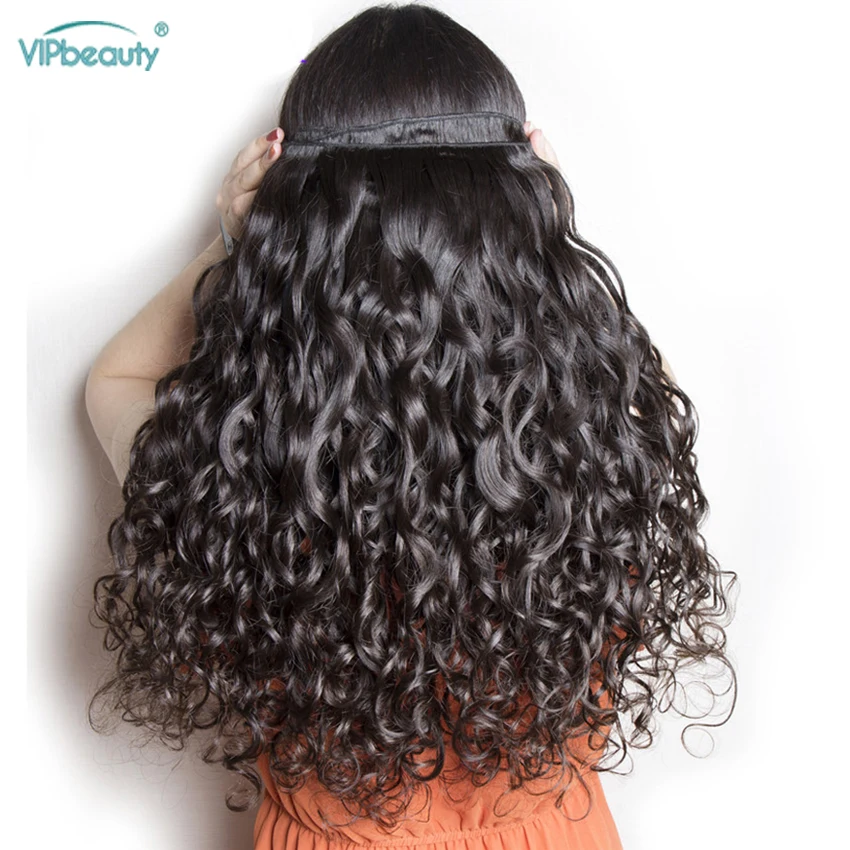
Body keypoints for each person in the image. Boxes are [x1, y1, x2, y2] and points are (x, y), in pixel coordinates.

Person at [84, 4, 737, 848]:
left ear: (292, 241)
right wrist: (543, 234)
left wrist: (232, 241)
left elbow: (114, 380)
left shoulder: (235, 479)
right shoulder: (596, 452)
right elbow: (645, 387)